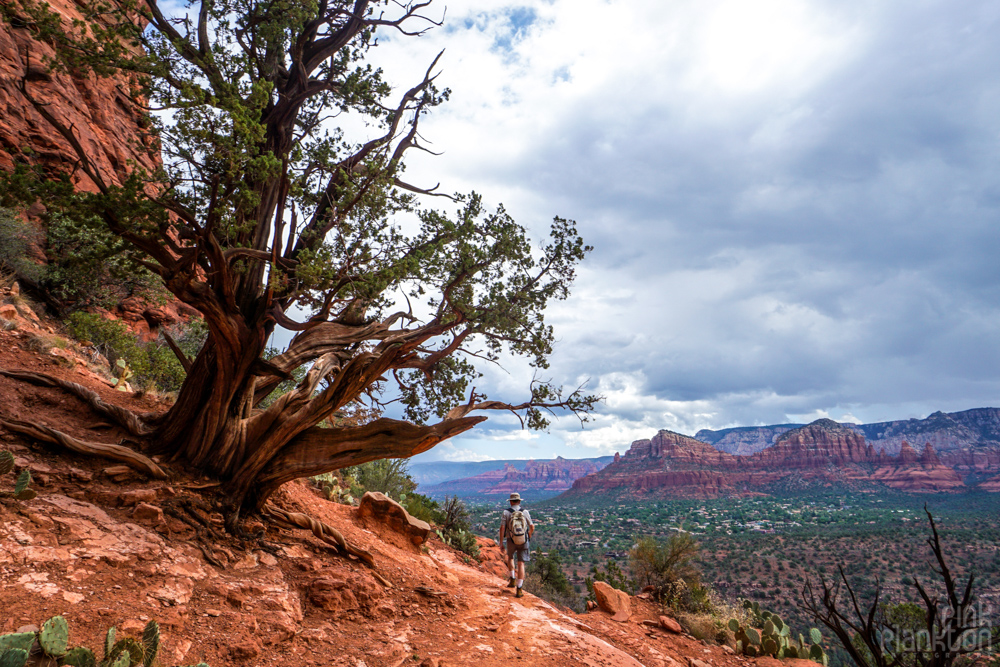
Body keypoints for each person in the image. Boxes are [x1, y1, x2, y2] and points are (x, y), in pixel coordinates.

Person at [498, 491, 535, 598]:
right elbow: (532, 527)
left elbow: (502, 528)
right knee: (521, 563)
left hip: (510, 540)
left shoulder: (506, 512)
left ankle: (512, 579)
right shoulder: (525, 512)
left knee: (510, 558)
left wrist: (501, 542)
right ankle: (519, 589)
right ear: (519, 501)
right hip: (523, 540)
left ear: (510, 502)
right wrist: (528, 535)